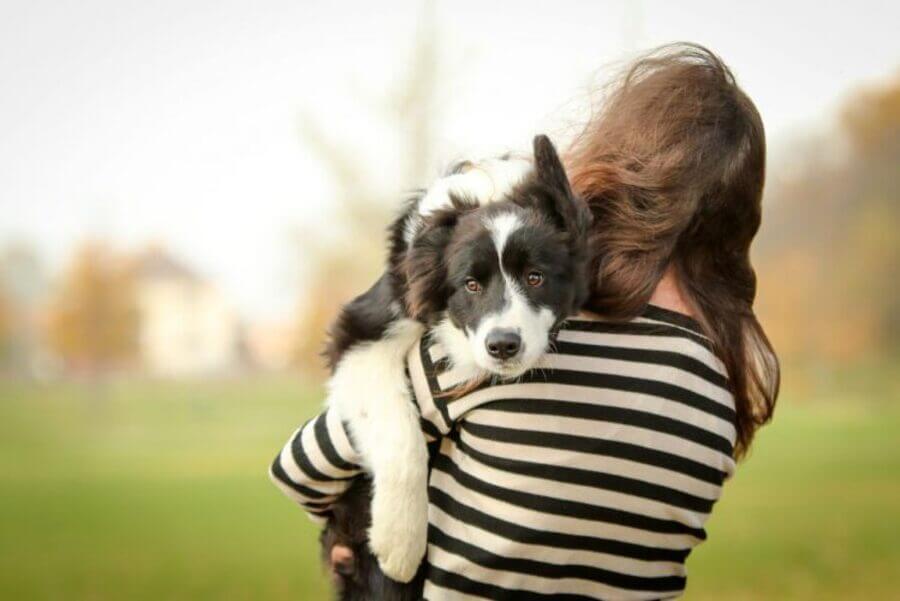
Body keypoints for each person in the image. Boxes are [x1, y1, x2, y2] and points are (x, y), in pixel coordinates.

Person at [271, 43, 779, 600]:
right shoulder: (722, 388)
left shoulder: (516, 347)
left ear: (621, 163)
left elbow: (302, 471)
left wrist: (352, 534)